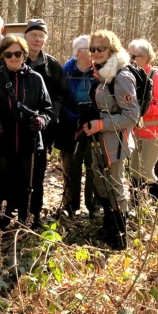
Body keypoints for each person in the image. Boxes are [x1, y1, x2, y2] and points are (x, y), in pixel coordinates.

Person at [0, 35, 53, 229]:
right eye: (8, 54)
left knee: (31, 184)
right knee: (3, 183)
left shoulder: (36, 79)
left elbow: (47, 110)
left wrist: (41, 121)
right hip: (2, 143)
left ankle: (30, 220)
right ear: (2, 56)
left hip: (31, 143)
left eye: (18, 53)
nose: (13, 57)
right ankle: (3, 219)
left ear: (25, 54)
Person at [83, 30, 140, 250]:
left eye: (101, 48)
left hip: (116, 141)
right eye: (93, 49)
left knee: (115, 186)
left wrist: (101, 124)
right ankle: (109, 225)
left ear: (113, 49)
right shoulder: (101, 74)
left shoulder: (121, 75)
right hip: (100, 140)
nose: (96, 52)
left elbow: (132, 116)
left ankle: (120, 234)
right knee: (102, 183)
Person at [23, 18, 65, 224]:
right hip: (17, 128)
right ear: (26, 37)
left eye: (41, 36)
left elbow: (60, 94)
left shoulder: (53, 65)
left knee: (37, 173)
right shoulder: (14, 58)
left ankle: (34, 215)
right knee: (17, 172)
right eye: (34, 35)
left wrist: (50, 116)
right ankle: (16, 211)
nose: (37, 39)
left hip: (43, 128)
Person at [56, 36, 97, 218]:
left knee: (92, 165)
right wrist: (73, 117)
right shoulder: (65, 71)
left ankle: (93, 206)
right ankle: (70, 205)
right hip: (68, 126)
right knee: (71, 166)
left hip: (92, 127)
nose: (94, 52)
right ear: (80, 52)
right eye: (90, 49)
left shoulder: (99, 71)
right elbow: (59, 99)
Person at [126, 39, 158, 201]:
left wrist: (142, 111)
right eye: (129, 55)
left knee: (146, 171)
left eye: (135, 56)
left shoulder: (156, 76)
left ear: (147, 57)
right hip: (133, 131)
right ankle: (136, 207)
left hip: (152, 131)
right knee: (134, 171)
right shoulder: (129, 75)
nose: (131, 59)